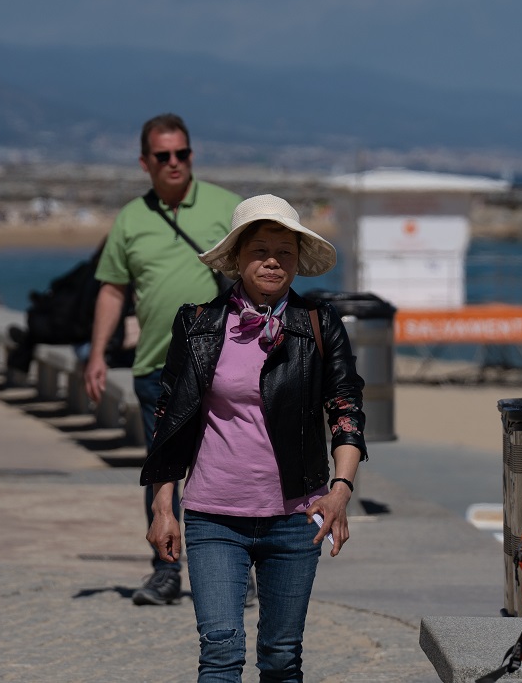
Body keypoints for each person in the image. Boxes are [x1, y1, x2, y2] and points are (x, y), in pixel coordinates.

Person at [141, 194, 365, 681]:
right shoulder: (196, 323)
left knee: (282, 657)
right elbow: (169, 419)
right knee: (220, 653)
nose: (271, 261)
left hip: (295, 518)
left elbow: (345, 409)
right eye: (260, 250)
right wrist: (163, 508)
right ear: (237, 258)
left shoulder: (319, 324)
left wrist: (341, 491)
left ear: (298, 261)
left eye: (284, 252)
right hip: (213, 518)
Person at [86, 114, 242, 606]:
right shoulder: (131, 219)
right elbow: (113, 289)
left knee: (227, 467)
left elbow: (259, 276)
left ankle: (238, 566)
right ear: (145, 162)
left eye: (182, 154)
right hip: (156, 366)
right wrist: (95, 354)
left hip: (222, 365)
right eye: (163, 156)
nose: (174, 163)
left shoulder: (225, 207)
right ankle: (165, 570)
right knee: (162, 473)